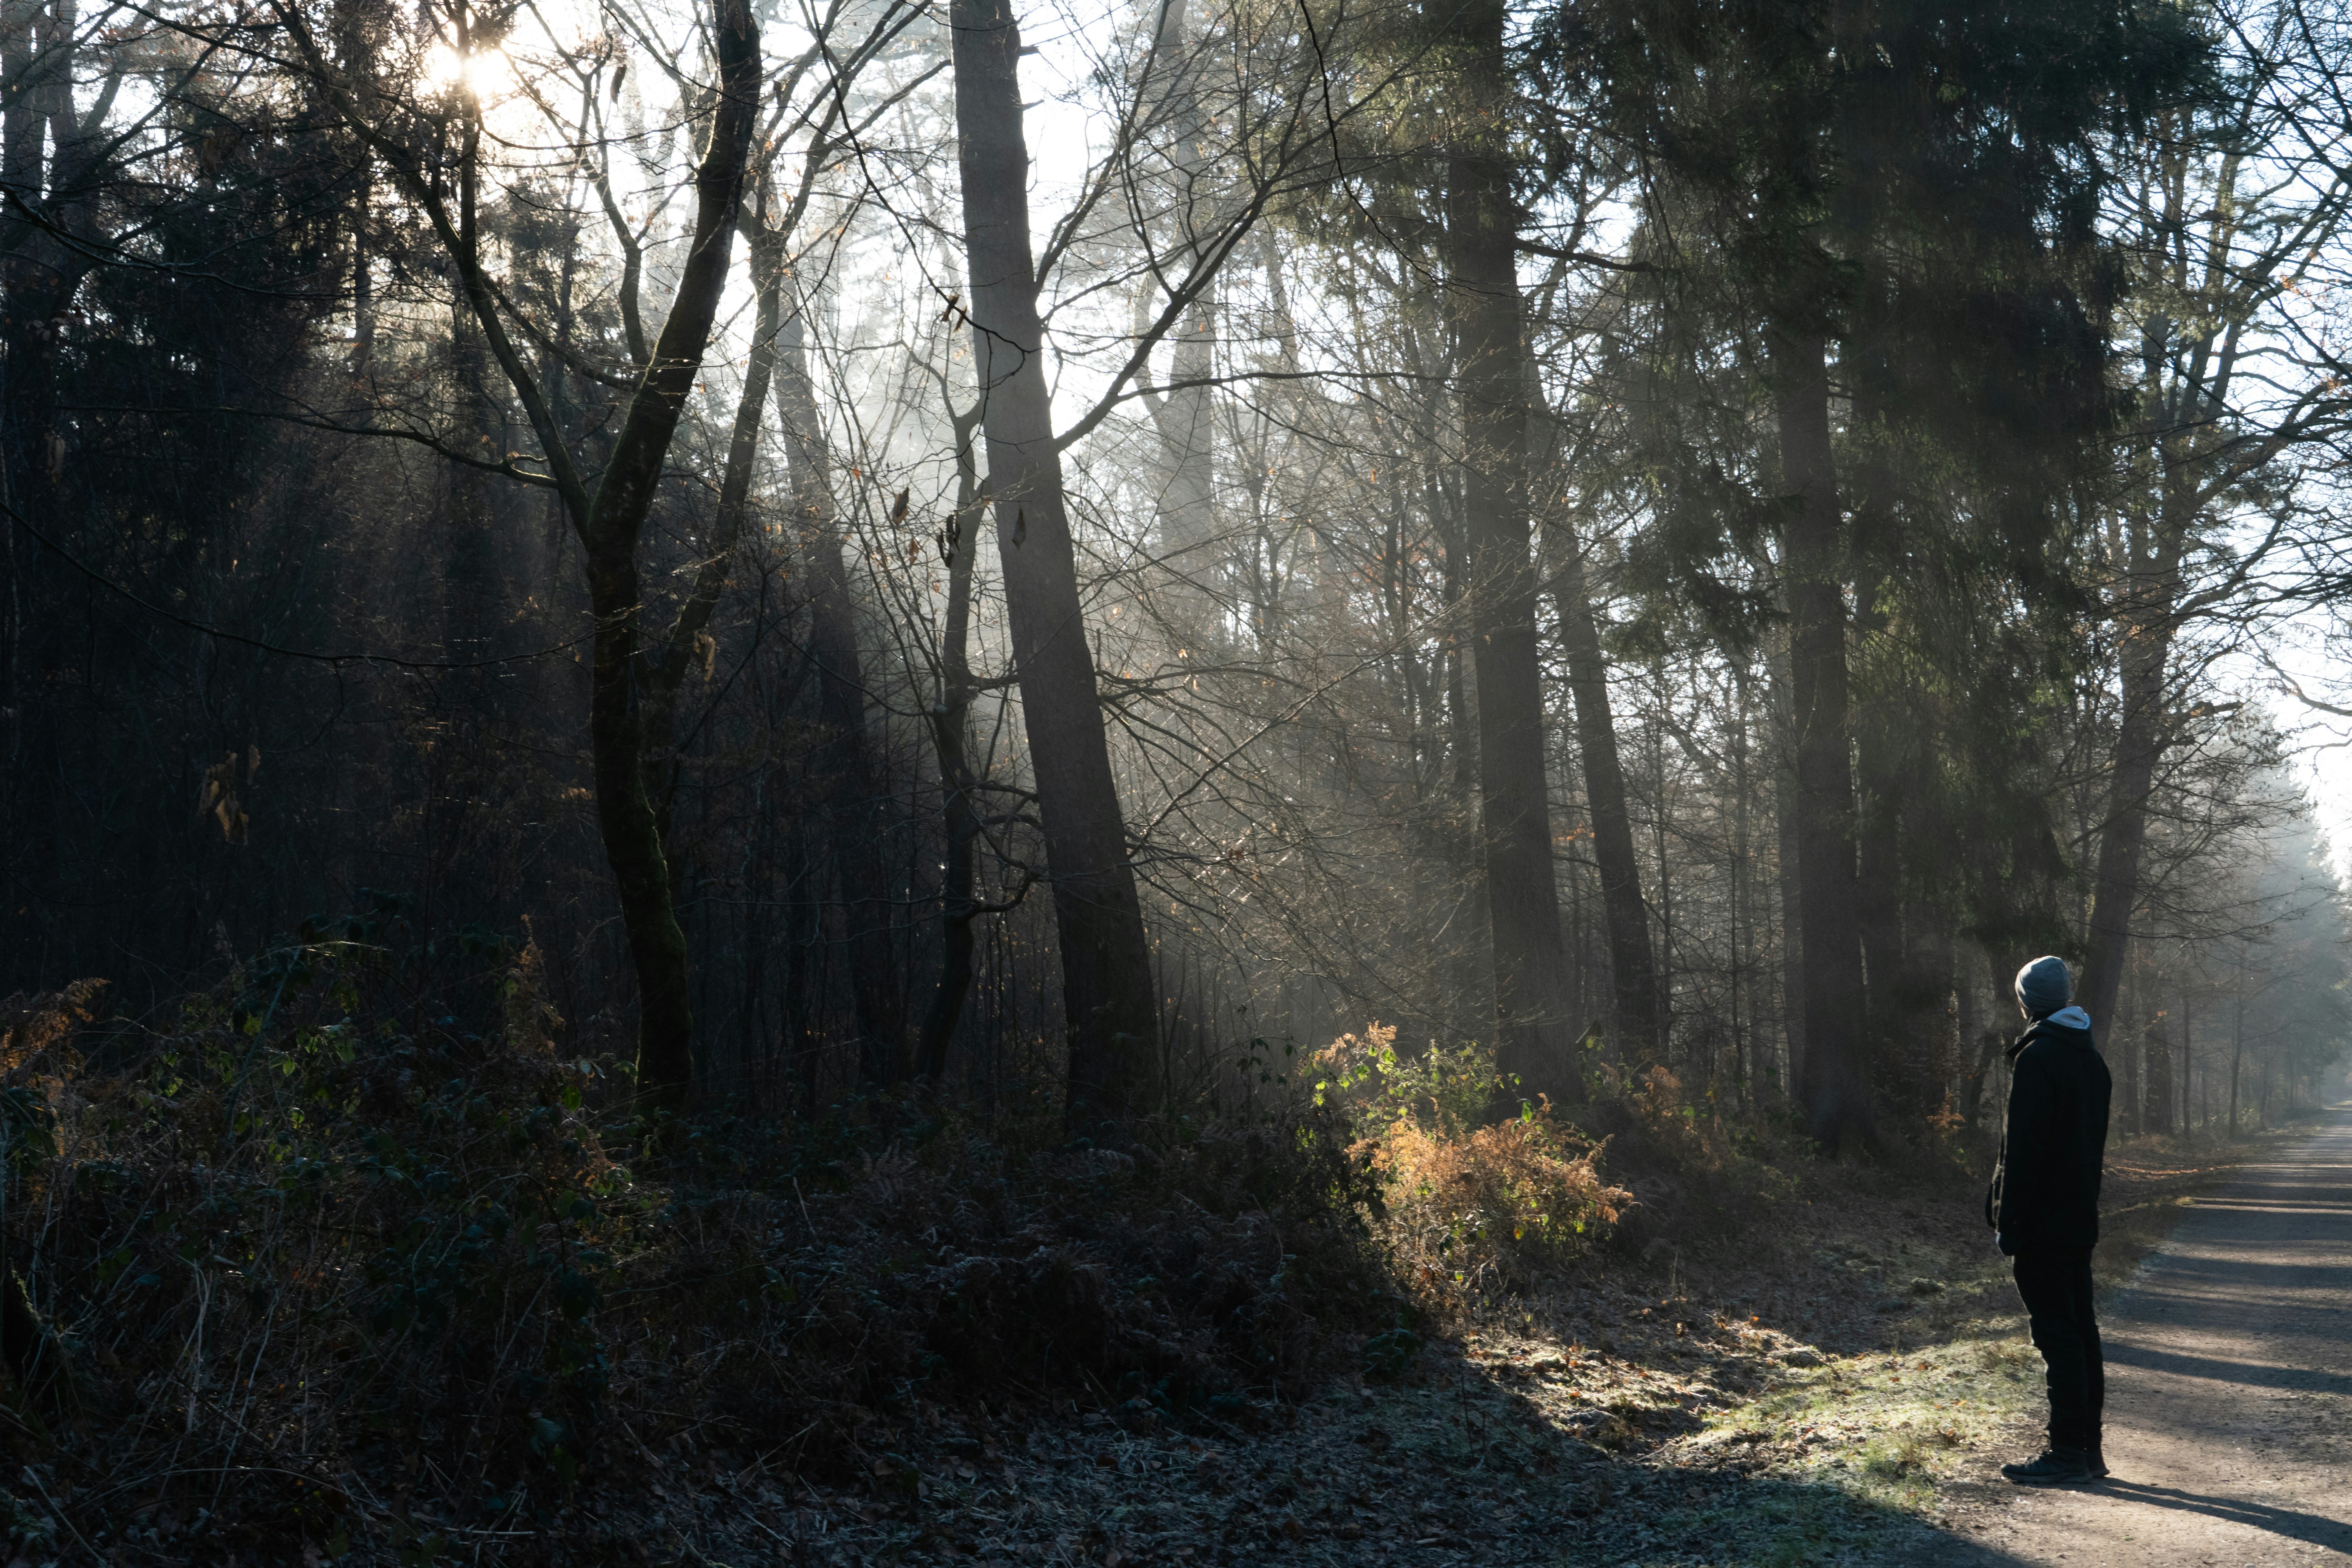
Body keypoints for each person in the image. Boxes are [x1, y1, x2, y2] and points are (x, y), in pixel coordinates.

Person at [1985, 954, 2111, 1486]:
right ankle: (2088, 1451)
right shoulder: (2091, 1060)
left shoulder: (2038, 1058)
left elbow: (2024, 1153)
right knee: (2080, 1332)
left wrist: (2008, 1223)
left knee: (2058, 1336)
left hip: (2043, 1225)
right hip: (2079, 1218)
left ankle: (2066, 1453)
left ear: (2026, 1002)